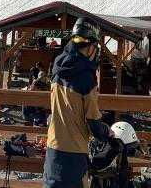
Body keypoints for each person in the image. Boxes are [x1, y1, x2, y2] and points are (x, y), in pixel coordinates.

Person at [44, 27, 113, 188]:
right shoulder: (87, 78)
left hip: (53, 146)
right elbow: (93, 122)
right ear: (90, 47)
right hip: (74, 152)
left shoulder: (57, 68)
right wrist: (107, 132)